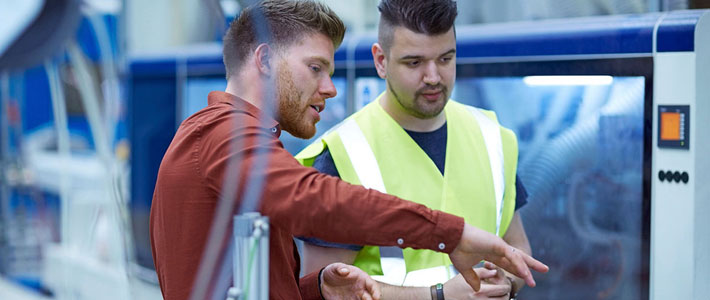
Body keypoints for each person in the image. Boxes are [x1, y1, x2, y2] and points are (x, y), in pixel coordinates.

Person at [150, 1, 548, 300]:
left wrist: (317, 289)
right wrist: (450, 234)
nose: (330, 88)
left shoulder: (233, 142)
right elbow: (314, 199)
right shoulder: (220, 136)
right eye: (315, 68)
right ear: (266, 60)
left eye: (445, 58)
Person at [295, 0, 532, 299]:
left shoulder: (492, 137)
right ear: (381, 61)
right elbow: (326, 290)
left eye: (445, 59)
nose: (433, 77)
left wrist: (505, 282)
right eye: (414, 63)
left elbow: (518, 248)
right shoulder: (343, 155)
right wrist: (439, 295)